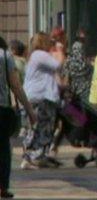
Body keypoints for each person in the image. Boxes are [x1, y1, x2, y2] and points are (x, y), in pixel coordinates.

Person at [22, 32, 64, 169]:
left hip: (35, 96)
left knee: (39, 127)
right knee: (41, 127)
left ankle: (38, 156)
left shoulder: (34, 56)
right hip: (41, 97)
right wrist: (60, 50)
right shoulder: (40, 54)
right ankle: (32, 157)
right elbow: (58, 65)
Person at [0, 36, 36, 198]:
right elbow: (15, 84)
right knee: (2, 148)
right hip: (1, 108)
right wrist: (29, 109)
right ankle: (2, 186)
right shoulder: (4, 55)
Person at [62, 32, 93, 103]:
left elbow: (66, 76)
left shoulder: (68, 61)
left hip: (75, 94)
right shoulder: (86, 65)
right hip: (86, 93)